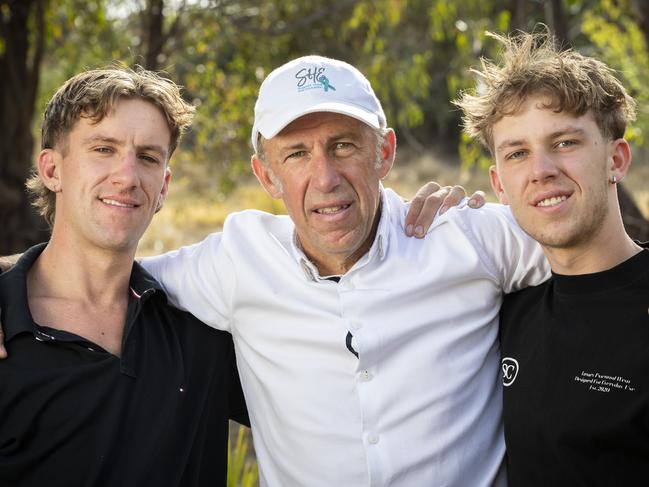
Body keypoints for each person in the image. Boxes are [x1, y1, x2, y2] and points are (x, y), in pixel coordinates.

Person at [141, 55, 549, 486]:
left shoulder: (467, 237)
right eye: (297, 154)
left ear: (384, 153)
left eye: (343, 146)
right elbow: (101, 281)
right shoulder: (239, 259)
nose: (326, 177)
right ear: (267, 176)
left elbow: (602, 261)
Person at [0, 67, 248, 487]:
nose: (128, 177)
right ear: (52, 170)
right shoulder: (8, 324)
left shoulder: (202, 321)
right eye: (103, 149)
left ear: (164, 186)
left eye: (148, 157)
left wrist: (398, 230)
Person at [455, 30, 649, 484]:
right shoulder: (502, 315)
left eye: (565, 142)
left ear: (616, 160)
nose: (541, 171)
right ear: (500, 184)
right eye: (518, 153)